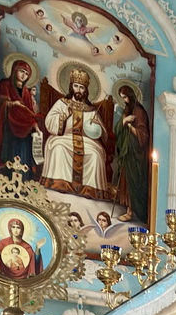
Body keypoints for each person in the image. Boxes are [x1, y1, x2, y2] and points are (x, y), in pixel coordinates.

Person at [42, 68, 109, 197]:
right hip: (64, 137)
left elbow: (102, 132)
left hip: (87, 140)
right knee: (58, 148)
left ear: (86, 90)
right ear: (71, 86)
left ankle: (91, 191)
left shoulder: (91, 109)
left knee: (95, 155)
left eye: (81, 87)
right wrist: (63, 116)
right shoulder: (62, 103)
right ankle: (60, 184)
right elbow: (49, 121)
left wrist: (97, 126)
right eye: (76, 86)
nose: (78, 90)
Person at [0, 58, 41, 177]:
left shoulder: (26, 92)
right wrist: (12, 104)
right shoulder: (5, 85)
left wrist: (35, 125)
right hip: (9, 128)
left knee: (23, 157)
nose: (23, 75)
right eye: (21, 71)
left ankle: (24, 180)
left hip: (25, 131)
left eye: (26, 73)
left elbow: (30, 113)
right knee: (10, 156)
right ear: (15, 70)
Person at [114, 83, 152, 225]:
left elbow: (143, 136)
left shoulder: (139, 111)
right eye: (122, 98)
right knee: (126, 181)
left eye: (125, 97)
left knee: (133, 183)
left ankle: (131, 212)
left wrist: (129, 126)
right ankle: (128, 209)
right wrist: (124, 121)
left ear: (130, 96)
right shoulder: (128, 110)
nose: (124, 100)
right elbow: (117, 129)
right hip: (127, 152)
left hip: (136, 155)